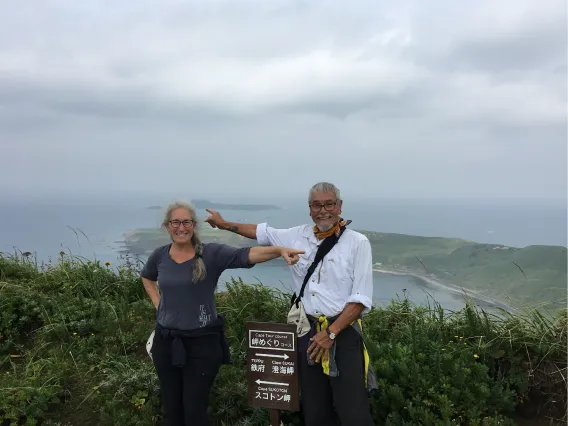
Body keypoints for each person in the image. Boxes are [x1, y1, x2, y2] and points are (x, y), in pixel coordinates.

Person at [205, 182, 376, 426]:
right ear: (310, 209)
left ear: (339, 206)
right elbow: (259, 232)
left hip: (343, 334)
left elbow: (360, 299)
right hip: (307, 332)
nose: (323, 210)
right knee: (315, 409)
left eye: (329, 204)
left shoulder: (358, 243)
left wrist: (331, 333)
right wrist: (222, 224)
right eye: (317, 205)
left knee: (353, 411)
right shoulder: (298, 235)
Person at [140, 200, 305, 426]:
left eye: (186, 222)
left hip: (202, 344)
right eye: (175, 222)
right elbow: (147, 277)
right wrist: (159, 304)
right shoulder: (159, 256)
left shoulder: (211, 254)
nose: (181, 227)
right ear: (167, 226)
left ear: (194, 225)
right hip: (166, 342)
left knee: (194, 410)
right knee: (170, 409)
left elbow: (247, 255)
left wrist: (279, 250)